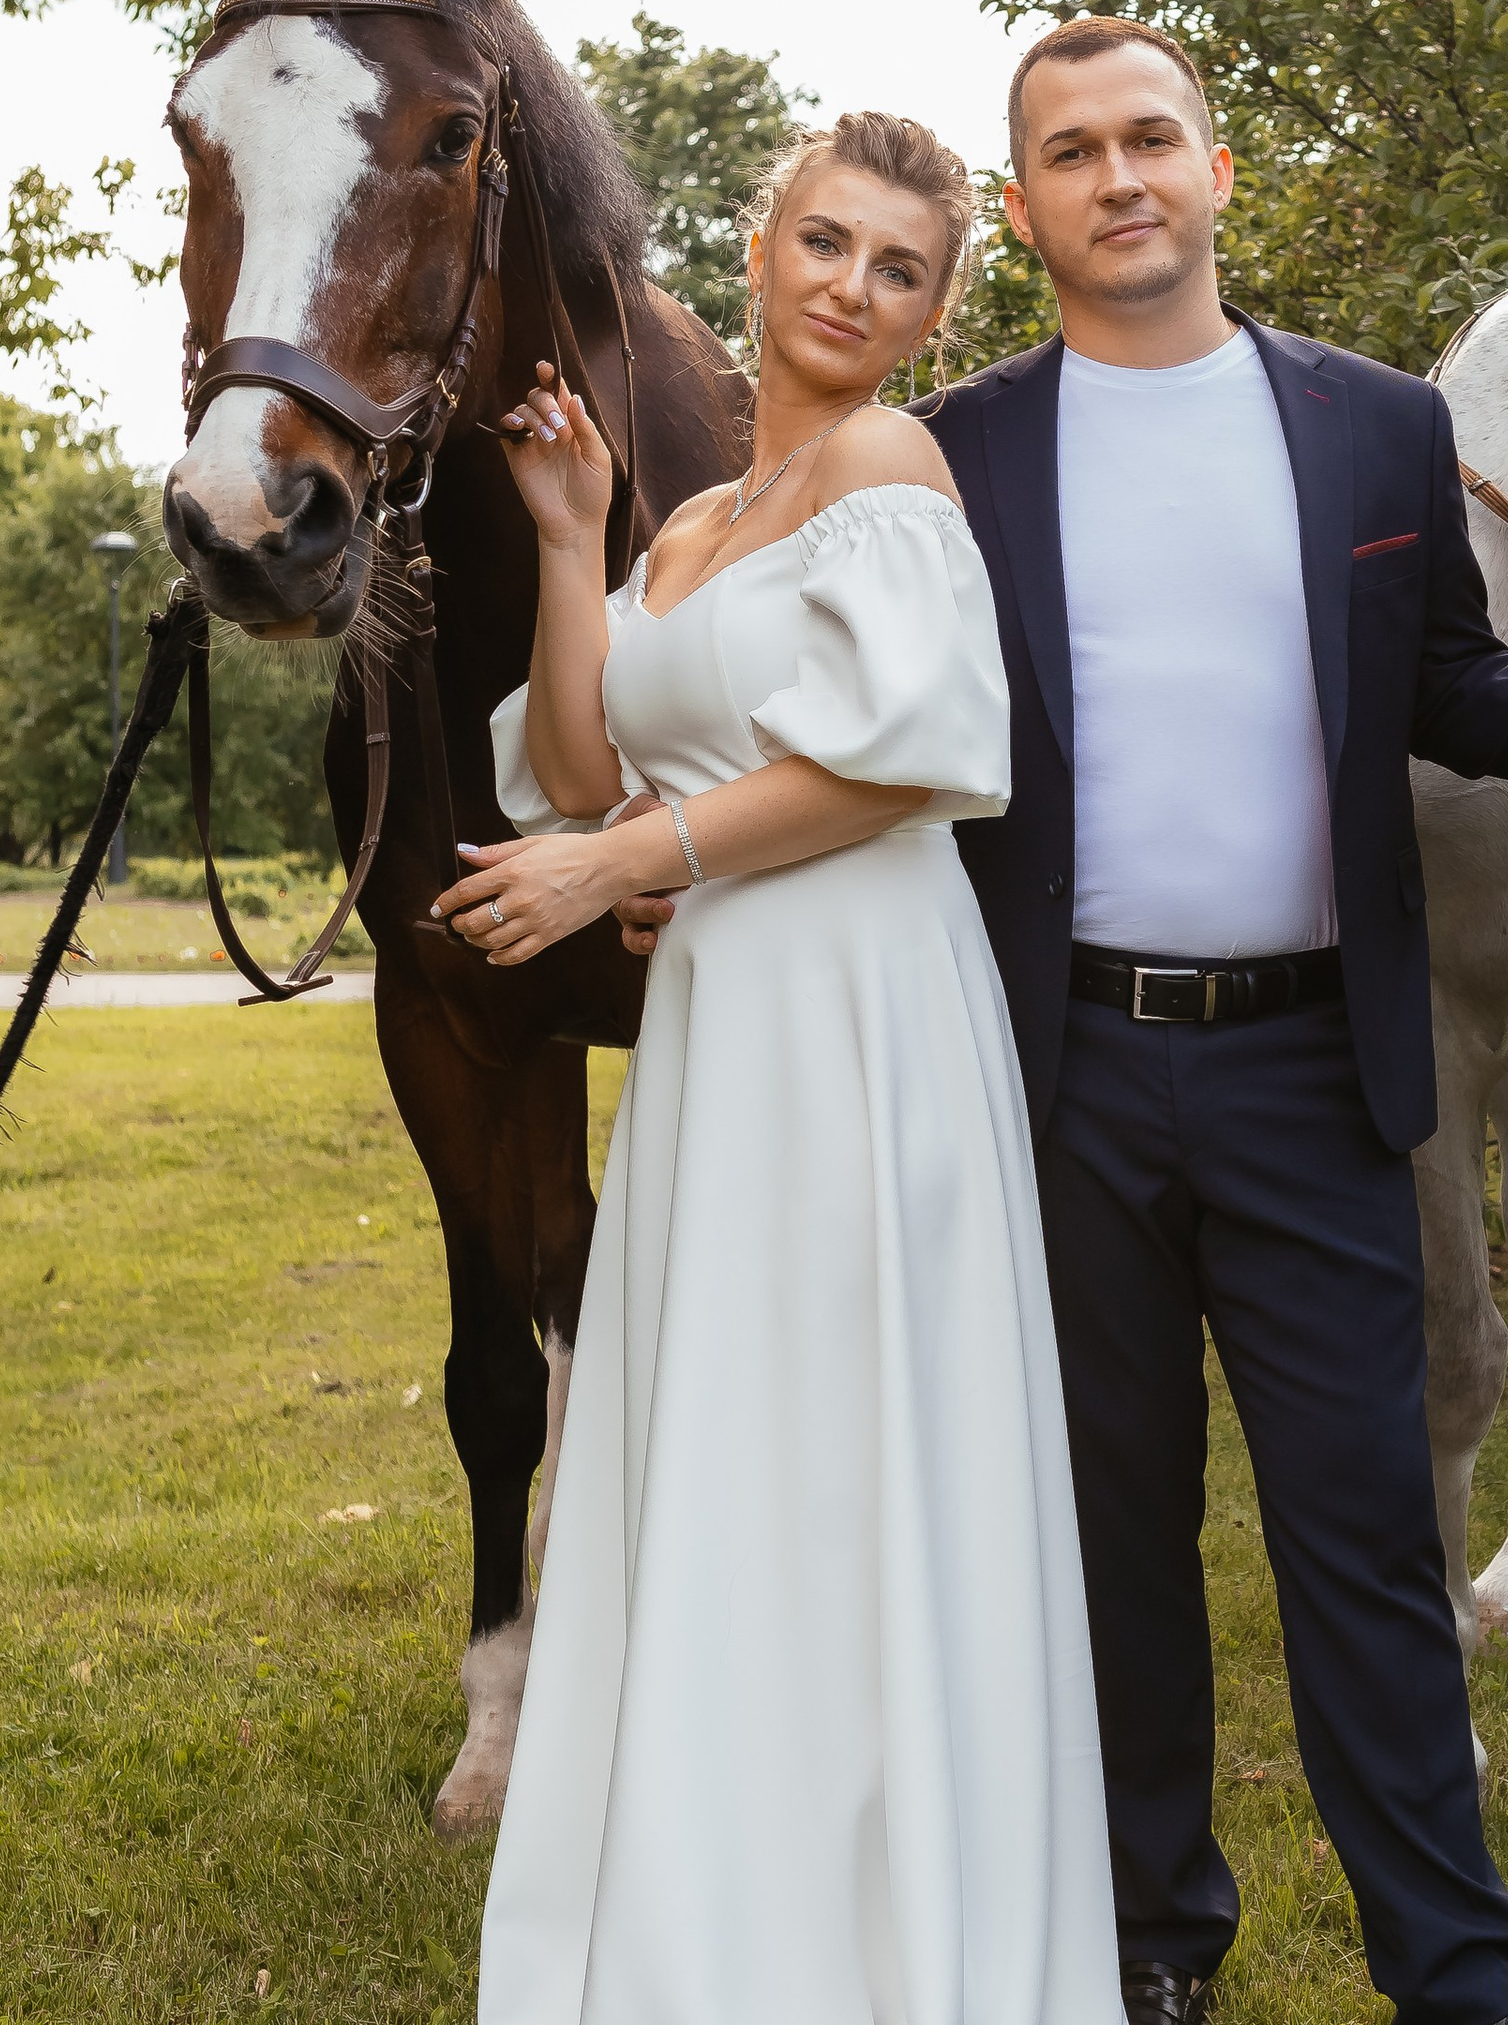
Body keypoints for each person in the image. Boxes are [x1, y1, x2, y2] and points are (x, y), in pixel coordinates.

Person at [626, 21, 1508, 2025]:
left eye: (1148, 136)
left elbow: (1451, 693)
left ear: (1215, 167)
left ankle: (1458, 1973)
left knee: (1361, 1556)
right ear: (1028, 205)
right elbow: (834, 716)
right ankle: (1152, 1943)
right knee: (1109, 1553)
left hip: (1313, 1072)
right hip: (1048, 1078)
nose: (1118, 175)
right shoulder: (954, 450)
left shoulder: (1370, 427)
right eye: (1068, 152)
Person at [446, 110, 1125, 2025]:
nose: (850, 287)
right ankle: (715, 1919)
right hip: (718, 1035)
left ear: (929, 313)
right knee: (714, 1450)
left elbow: (906, 763)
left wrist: (626, 865)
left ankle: (879, 1940)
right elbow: (584, 768)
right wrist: (576, 545)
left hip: (857, 1019)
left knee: (843, 1460)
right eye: (825, 243)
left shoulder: (888, 466)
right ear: (761, 249)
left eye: (897, 268)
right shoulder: (681, 526)